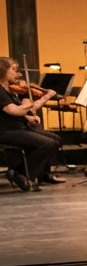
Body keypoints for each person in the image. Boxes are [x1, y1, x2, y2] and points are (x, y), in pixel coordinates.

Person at [0, 57, 62, 191]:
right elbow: (14, 110)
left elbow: (17, 111)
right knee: (47, 143)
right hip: (5, 131)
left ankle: (27, 173)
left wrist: (27, 117)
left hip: (16, 128)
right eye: (14, 69)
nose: (19, 74)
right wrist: (44, 98)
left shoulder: (9, 90)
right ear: (3, 71)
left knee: (54, 140)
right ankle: (21, 174)